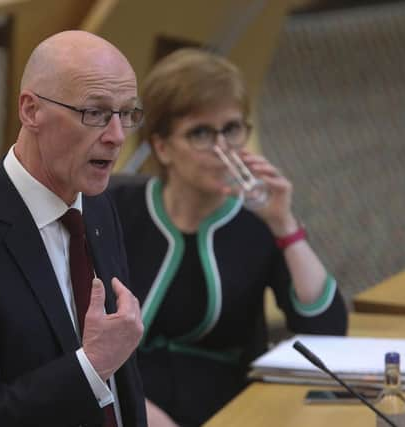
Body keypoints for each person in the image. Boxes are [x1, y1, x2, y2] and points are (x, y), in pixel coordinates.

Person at [0, 30, 147, 427]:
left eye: (127, 114)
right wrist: (90, 367)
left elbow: (123, 377)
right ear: (31, 111)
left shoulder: (99, 207)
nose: (117, 136)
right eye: (95, 113)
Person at [109, 48, 348, 426]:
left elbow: (328, 333)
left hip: (228, 412)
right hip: (120, 408)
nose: (223, 150)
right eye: (201, 133)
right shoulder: (114, 209)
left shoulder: (256, 220)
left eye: (233, 129)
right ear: (162, 147)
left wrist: (285, 225)